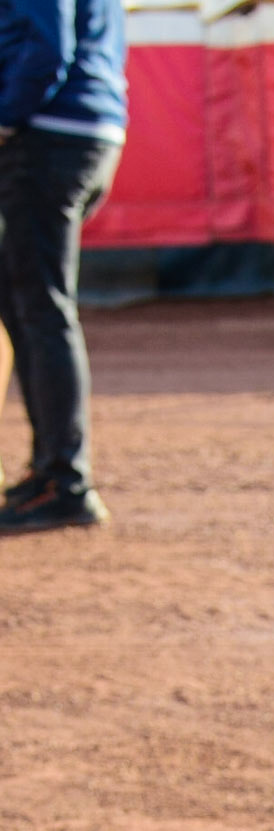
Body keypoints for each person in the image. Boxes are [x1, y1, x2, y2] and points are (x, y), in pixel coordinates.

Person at [0, 0, 125, 535]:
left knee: (41, 308)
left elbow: (47, 49)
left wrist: (4, 116)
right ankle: (49, 471)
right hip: (88, 128)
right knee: (24, 301)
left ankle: (65, 482)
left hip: (47, 133)